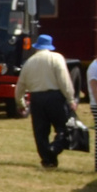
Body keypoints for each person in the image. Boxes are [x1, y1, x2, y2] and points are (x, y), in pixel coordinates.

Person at [17, 34, 77, 168]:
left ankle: (47, 159)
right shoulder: (56, 58)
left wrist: (20, 103)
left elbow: (20, 85)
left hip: (36, 99)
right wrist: (70, 98)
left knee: (40, 132)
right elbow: (64, 81)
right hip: (55, 97)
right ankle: (54, 149)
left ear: (37, 46)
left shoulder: (29, 62)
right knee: (64, 128)